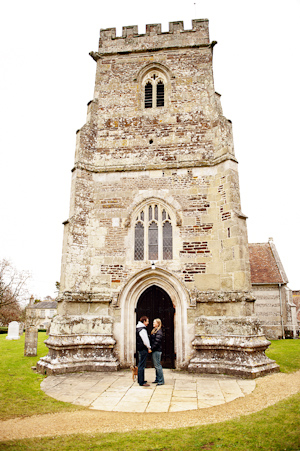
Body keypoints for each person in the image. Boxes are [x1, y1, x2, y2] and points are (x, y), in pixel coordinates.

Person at [136, 316, 152, 386]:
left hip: (140, 348)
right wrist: (149, 347)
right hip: (143, 348)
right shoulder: (142, 330)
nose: (148, 323)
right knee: (142, 365)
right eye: (147, 321)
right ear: (144, 321)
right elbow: (145, 340)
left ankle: (140, 380)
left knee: (140, 364)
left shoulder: (138, 328)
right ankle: (141, 382)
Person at [150, 318, 164, 385]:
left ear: (158, 324)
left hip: (157, 350)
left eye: (154, 322)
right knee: (156, 365)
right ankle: (157, 378)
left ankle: (161, 380)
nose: (153, 324)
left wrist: (151, 348)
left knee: (158, 365)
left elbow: (157, 342)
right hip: (155, 350)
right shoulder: (155, 331)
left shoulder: (159, 331)